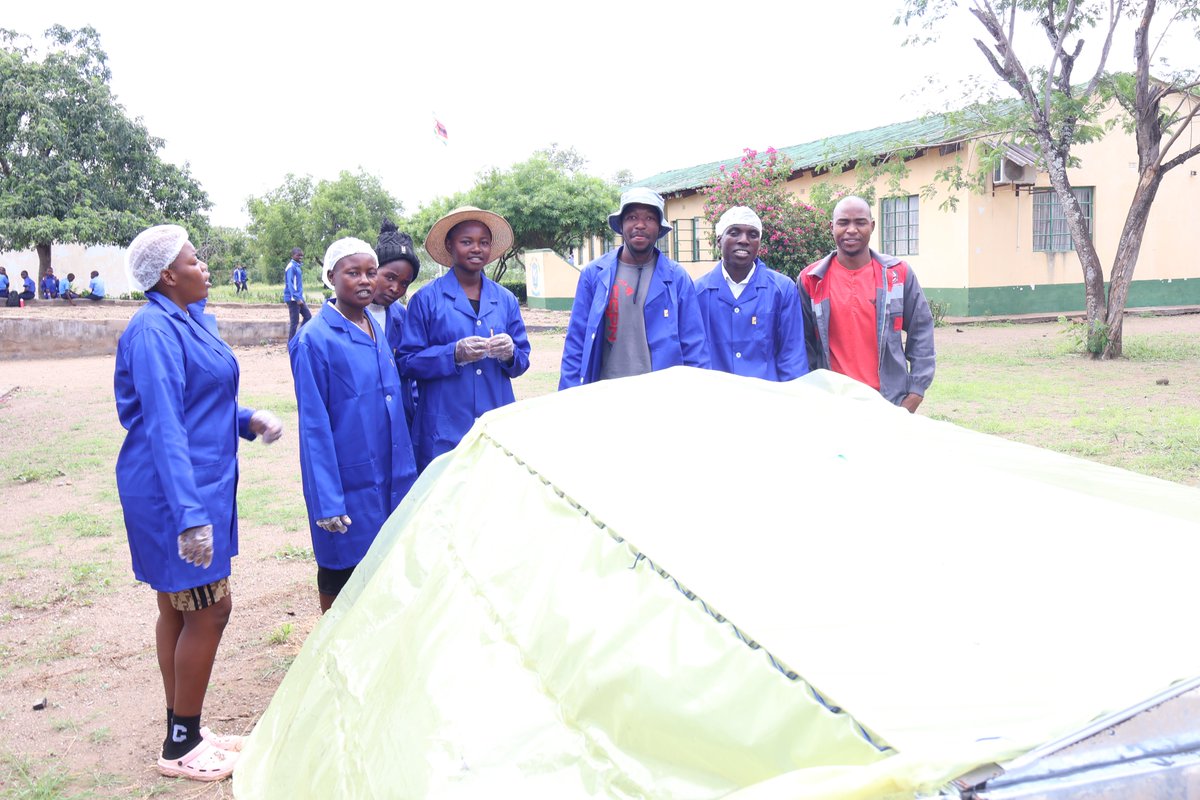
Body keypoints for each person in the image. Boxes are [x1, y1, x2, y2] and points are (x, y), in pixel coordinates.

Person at [114, 224, 284, 782]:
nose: (204, 267)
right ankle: (181, 744)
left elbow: (199, 402)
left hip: (193, 485)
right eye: (194, 260)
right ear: (168, 275)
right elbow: (165, 424)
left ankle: (183, 727)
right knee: (210, 610)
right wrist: (189, 518)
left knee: (177, 609)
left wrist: (247, 419)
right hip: (175, 494)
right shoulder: (153, 330)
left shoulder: (185, 320)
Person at [289, 237, 418, 613]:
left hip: (392, 472)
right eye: (353, 273)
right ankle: (331, 642)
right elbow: (313, 427)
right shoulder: (313, 340)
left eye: (370, 272)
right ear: (331, 276)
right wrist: (327, 500)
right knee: (343, 573)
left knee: (387, 570)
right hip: (348, 481)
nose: (365, 280)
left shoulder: (376, 327)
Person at [398, 207, 530, 471]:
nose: (476, 249)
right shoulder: (426, 299)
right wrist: (453, 354)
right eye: (466, 242)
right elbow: (407, 362)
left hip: (495, 421)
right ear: (450, 245)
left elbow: (521, 361)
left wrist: (510, 353)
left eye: (484, 242)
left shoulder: (505, 300)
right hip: (443, 426)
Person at [559, 187, 709, 389]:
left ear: (659, 228)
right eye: (632, 217)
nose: (640, 225)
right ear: (621, 225)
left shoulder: (677, 278)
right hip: (606, 392)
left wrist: (699, 392)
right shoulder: (594, 275)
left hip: (662, 393)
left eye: (649, 218)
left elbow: (694, 346)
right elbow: (576, 342)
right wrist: (569, 394)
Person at [797, 195, 935, 412]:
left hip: (889, 402)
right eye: (843, 223)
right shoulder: (811, 279)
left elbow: (921, 329)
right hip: (832, 403)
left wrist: (916, 393)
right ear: (832, 227)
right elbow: (803, 344)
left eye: (860, 222)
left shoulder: (897, 274)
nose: (851, 230)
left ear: (872, 226)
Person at [695, 207, 809, 381]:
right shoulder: (697, 293)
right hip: (715, 394)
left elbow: (792, 358)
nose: (744, 240)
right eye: (734, 233)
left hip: (768, 395)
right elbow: (693, 356)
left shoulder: (782, 290)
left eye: (753, 235)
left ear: (759, 244)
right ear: (719, 240)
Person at [368, 219, 420, 426]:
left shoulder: (402, 316)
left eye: (404, 283)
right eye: (390, 277)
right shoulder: (352, 317)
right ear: (372, 271)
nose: (395, 288)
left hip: (400, 419)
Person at [283, 248, 311, 340]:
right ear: (292, 256)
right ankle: (291, 344)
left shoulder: (297, 266)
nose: (300, 257)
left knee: (308, 316)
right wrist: (297, 298)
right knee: (294, 323)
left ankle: (298, 338)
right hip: (293, 299)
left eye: (301, 255)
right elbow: (291, 284)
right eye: (298, 255)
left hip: (298, 297)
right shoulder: (291, 267)